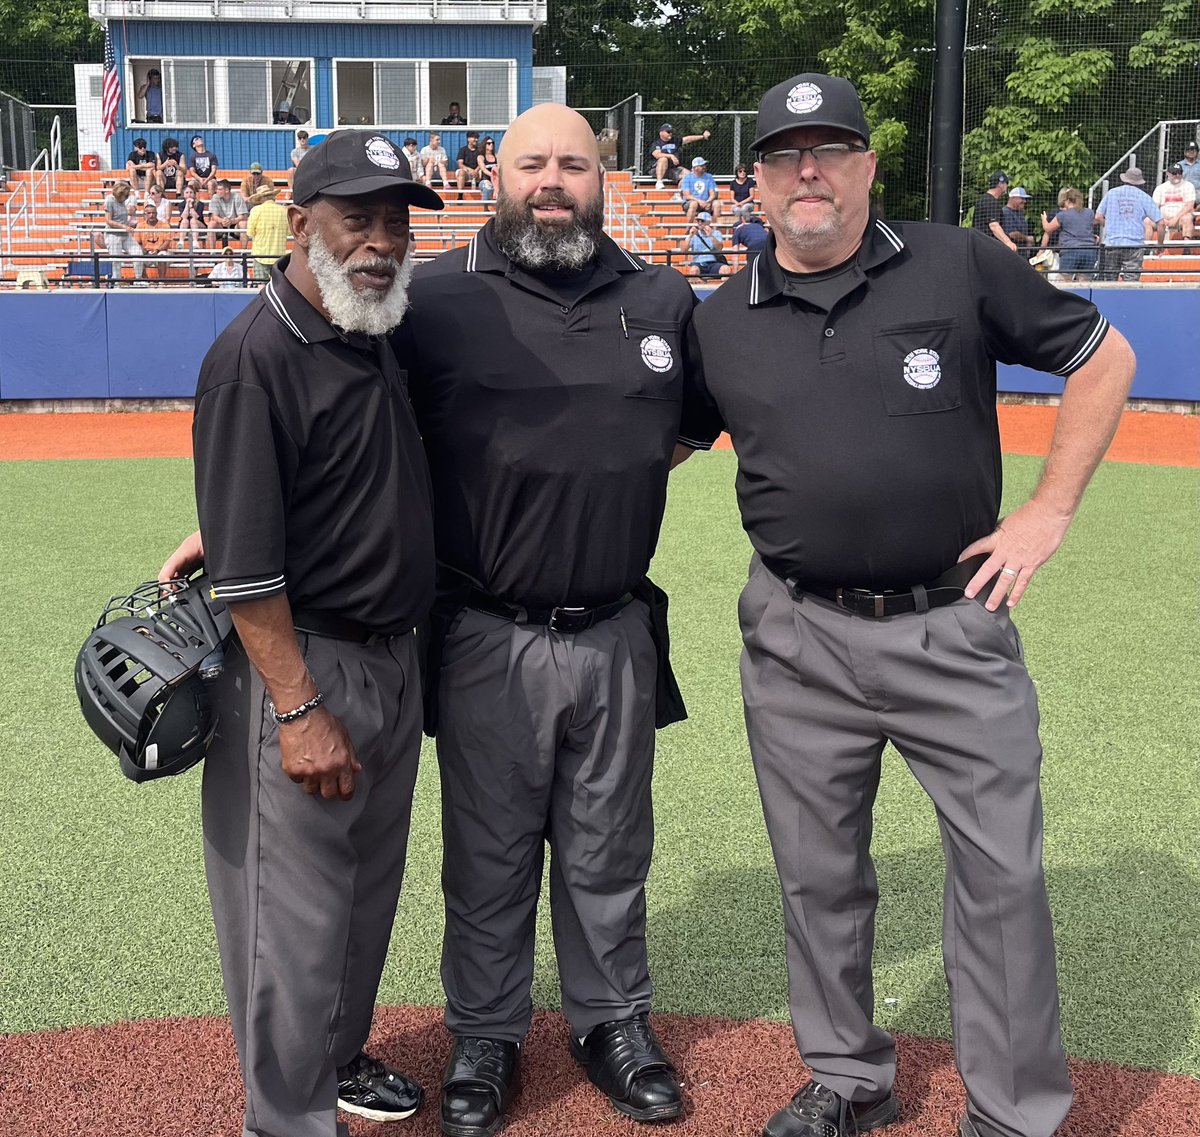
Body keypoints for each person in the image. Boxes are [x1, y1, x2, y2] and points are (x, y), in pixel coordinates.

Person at [677, 72, 1135, 1137]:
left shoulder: (957, 260)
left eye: (831, 148)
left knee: (1000, 881)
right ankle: (848, 1080)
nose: (809, 171)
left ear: (867, 165)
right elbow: (645, 446)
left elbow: (1103, 357)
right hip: (795, 635)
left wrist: (1047, 513)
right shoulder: (719, 319)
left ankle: (1014, 1112)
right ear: (754, 179)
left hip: (953, 625)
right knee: (817, 877)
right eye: (786, 153)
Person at [394, 102, 699, 1137]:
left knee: (609, 848)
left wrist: (592, 479)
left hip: (616, 625)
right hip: (486, 630)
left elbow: (686, 429)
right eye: (534, 163)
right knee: (489, 850)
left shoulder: (662, 296)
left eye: (574, 162)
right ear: (497, 175)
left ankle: (610, 1022)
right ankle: (484, 1032)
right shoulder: (432, 296)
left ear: (603, 178)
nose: (554, 180)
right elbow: (341, 431)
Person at [157, 128, 445, 1137]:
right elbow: (245, 574)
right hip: (306, 668)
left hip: (392, 659)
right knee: (293, 916)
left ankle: (336, 1059)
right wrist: (297, 708)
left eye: (397, 220)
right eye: (357, 216)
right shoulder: (254, 356)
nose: (381, 240)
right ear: (302, 218)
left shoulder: (375, 329)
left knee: (366, 896)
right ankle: (283, 1117)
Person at [1096, 167, 1163, 281]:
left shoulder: (1111, 193)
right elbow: (1161, 222)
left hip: (1112, 243)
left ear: (1124, 179)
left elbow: (1098, 216)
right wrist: (1160, 245)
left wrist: (1107, 225)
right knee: (1131, 281)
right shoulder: (1143, 196)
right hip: (1134, 245)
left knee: (1109, 281)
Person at [1039, 187, 1098, 280]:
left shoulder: (1063, 215)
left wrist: (1044, 219)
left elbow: (1048, 229)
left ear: (1068, 200)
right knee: (1084, 281)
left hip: (1070, 250)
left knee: (1065, 280)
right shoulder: (1089, 212)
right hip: (1089, 250)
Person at [246, 182, 289, 280]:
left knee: (260, 284)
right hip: (278, 255)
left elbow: (250, 232)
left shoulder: (256, 210)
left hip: (260, 254)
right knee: (278, 285)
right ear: (273, 196)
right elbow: (289, 232)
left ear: (261, 198)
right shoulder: (284, 210)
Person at [649, 122, 711, 189]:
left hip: (672, 168)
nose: (670, 133)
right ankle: (659, 182)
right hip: (657, 170)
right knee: (663, 159)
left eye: (671, 132)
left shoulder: (675, 140)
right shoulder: (656, 143)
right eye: (668, 132)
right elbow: (657, 155)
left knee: (689, 176)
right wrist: (671, 156)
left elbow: (688, 139)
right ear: (661, 133)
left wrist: (702, 136)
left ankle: (679, 195)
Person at [102, 181, 143, 281]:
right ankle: (117, 281)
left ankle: (138, 279)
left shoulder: (125, 201)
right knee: (116, 260)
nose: (127, 197)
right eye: (125, 195)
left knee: (138, 253)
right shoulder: (109, 200)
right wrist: (124, 227)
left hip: (125, 235)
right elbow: (108, 220)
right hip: (113, 235)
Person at [971, 171, 1019, 251]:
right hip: (986, 247)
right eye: (1006, 183)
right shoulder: (991, 202)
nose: (1007, 186)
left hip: (979, 244)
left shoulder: (984, 199)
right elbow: (994, 226)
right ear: (1001, 184)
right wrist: (1008, 242)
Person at [1152, 164, 1196, 241]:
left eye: (1179, 173)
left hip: (1180, 218)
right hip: (1162, 219)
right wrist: (1161, 219)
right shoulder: (1160, 188)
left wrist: (1175, 219)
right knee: (1147, 221)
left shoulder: (1189, 186)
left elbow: (1189, 206)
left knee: (1188, 218)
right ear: (1168, 174)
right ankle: (1144, 249)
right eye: (1174, 173)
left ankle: (1186, 247)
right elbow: (1154, 207)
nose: (1177, 175)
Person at [134, 200, 175, 282]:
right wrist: (144, 250)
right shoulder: (140, 226)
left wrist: (157, 250)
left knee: (162, 255)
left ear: (156, 213)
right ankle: (146, 282)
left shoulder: (165, 225)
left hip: (161, 251)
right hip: (146, 252)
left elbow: (167, 242)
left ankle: (161, 281)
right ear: (145, 215)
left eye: (153, 213)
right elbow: (137, 242)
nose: (151, 215)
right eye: (149, 213)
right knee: (137, 256)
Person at [208, 179, 250, 249]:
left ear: (227, 190)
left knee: (244, 224)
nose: (217, 191)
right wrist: (222, 221)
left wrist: (231, 221)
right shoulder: (215, 197)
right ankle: (212, 253)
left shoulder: (237, 197)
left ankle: (243, 253)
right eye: (217, 189)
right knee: (211, 224)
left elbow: (243, 216)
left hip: (235, 225)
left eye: (220, 189)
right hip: (220, 225)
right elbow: (214, 216)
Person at [682, 210, 725, 276]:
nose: (699, 223)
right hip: (698, 263)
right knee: (694, 270)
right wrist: (690, 236)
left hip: (713, 262)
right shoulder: (694, 234)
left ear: (708, 223)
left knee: (725, 269)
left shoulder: (716, 233)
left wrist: (711, 235)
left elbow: (719, 248)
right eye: (698, 221)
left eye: (702, 221)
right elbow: (684, 250)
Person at [679, 156, 720, 222]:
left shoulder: (709, 177)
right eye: (702, 165)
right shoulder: (687, 178)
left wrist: (708, 202)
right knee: (694, 204)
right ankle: (688, 228)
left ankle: (714, 229)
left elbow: (712, 193)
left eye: (704, 165)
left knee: (717, 204)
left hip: (706, 202)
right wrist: (700, 202)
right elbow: (687, 196)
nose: (704, 167)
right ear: (696, 167)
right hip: (691, 202)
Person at [1001, 186, 1035, 251]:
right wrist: (1027, 239)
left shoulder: (1020, 213)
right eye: (1022, 198)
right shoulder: (1006, 212)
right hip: (1012, 251)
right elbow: (1012, 234)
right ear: (1013, 198)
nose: (1024, 201)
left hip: (1022, 252)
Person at [174, 183, 207, 248]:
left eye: (191, 192)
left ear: (194, 194)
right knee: (185, 220)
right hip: (185, 227)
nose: (189, 194)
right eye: (187, 192)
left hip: (199, 226)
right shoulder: (181, 204)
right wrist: (187, 205)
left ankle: (195, 242)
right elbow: (183, 216)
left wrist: (191, 207)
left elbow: (197, 217)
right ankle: (181, 242)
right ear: (183, 195)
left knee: (193, 220)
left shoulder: (200, 204)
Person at [476, 135, 498, 204]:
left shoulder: (496, 156)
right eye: (488, 143)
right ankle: (485, 207)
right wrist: (493, 175)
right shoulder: (481, 157)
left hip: (496, 180)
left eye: (492, 143)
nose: (491, 144)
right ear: (484, 145)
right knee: (487, 185)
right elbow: (484, 170)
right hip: (485, 180)